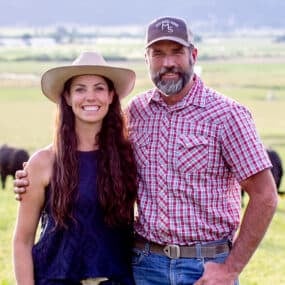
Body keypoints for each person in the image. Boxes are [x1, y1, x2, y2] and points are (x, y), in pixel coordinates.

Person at [14, 17, 278, 285]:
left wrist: (231, 269)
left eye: (177, 52)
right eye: (158, 54)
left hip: (205, 269)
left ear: (193, 55)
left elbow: (266, 195)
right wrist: (32, 176)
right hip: (144, 267)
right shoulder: (137, 114)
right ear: (147, 59)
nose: (168, 63)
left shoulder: (227, 115)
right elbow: (84, 152)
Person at [12, 51, 138, 285]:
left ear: (111, 96)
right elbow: (22, 240)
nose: (90, 97)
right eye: (80, 89)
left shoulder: (127, 157)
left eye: (99, 88)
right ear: (68, 98)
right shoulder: (43, 162)